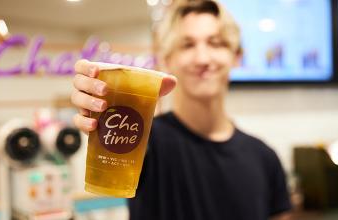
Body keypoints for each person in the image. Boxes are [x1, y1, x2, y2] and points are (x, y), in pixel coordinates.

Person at [71, 0, 292, 219]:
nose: (203, 58)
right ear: (166, 59)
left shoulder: (265, 158)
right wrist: (97, 109)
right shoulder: (147, 144)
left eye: (216, 43)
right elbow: (122, 147)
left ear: (236, 57)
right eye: (187, 45)